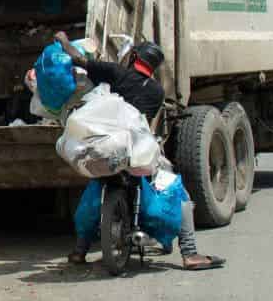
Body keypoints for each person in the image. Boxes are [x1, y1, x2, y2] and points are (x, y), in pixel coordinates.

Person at [53, 32, 224, 272]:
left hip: (107, 146)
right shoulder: (156, 92)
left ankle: (80, 251)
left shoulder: (116, 74)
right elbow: (146, 125)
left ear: (134, 56)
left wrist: (63, 40)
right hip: (137, 151)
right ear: (153, 67)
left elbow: (79, 61)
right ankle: (190, 253)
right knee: (181, 195)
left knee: (93, 193)